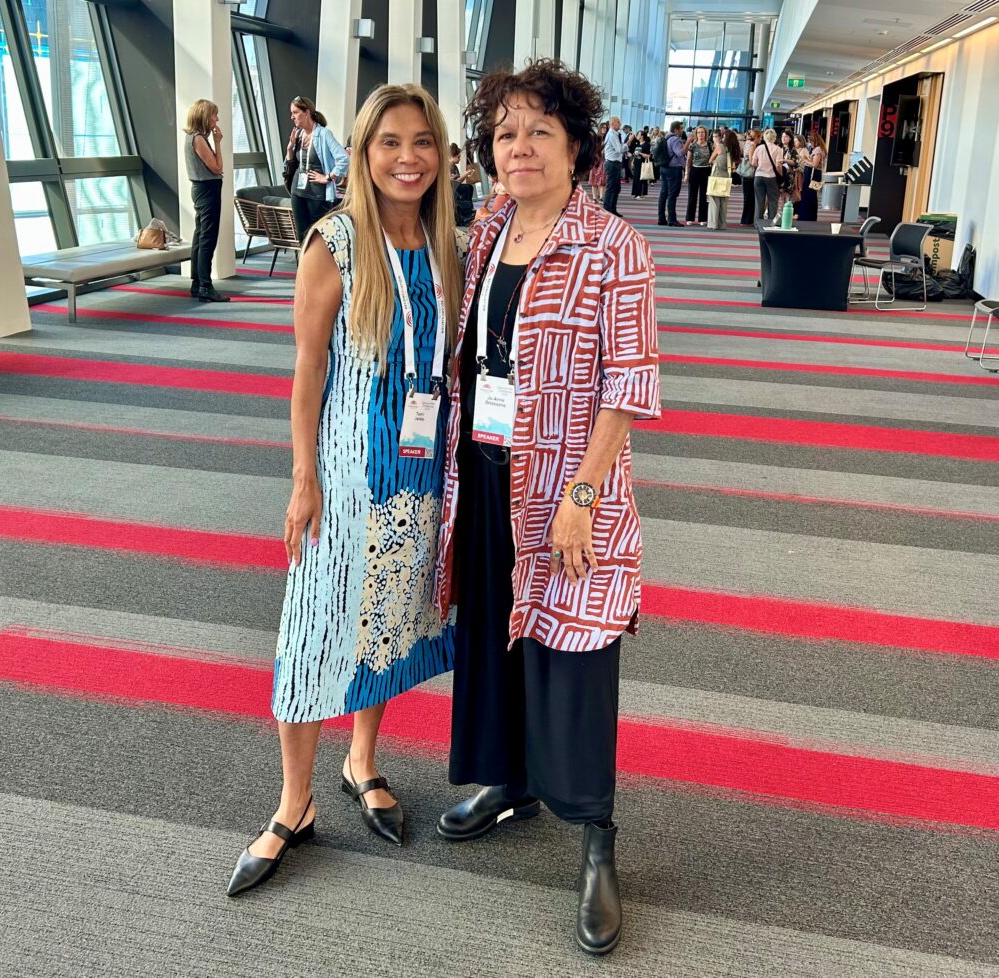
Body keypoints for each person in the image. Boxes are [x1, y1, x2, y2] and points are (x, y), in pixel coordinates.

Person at [433, 58, 660, 957]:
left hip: (566, 485)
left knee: (575, 651)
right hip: (486, 469)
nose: (518, 148)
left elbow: (629, 384)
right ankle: (506, 780)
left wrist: (581, 492)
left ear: (577, 148)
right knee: (494, 627)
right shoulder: (488, 231)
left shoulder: (613, 247)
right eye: (504, 133)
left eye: (538, 132)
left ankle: (595, 834)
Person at [226, 83, 462, 898]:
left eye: (422, 142)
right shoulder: (336, 241)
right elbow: (309, 369)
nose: (408, 157)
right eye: (390, 142)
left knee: (388, 621)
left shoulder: (444, 244)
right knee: (313, 633)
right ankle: (294, 805)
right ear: (362, 153)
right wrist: (303, 481)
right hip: (345, 477)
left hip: (419, 471)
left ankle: (363, 759)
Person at [284, 96, 350, 243]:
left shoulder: (324, 134)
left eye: (295, 112)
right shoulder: (299, 134)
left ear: (306, 112)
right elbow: (292, 162)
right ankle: (303, 266)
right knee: (302, 236)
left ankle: (319, 265)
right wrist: (290, 149)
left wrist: (327, 177)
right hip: (298, 191)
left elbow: (344, 158)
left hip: (317, 194)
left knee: (318, 237)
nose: (292, 117)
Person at [183, 99, 229, 303]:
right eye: (214, 115)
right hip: (207, 190)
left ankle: (197, 283)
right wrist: (218, 143)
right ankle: (205, 286)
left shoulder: (192, 137)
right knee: (207, 238)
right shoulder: (199, 139)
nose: (217, 119)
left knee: (200, 235)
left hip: (201, 189)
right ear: (204, 116)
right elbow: (217, 167)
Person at [706, 130, 741, 231]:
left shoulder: (720, 147)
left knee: (714, 200)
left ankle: (713, 224)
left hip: (717, 176)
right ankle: (722, 224)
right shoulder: (734, 150)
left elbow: (710, 160)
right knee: (723, 202)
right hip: (727, 177)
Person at [752, 128, 784, 222]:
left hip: (759, 176)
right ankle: (771, 221)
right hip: (771, 177)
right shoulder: (778, 149)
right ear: (774, 138)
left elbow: (753, 163)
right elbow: (778, 165)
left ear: (764, 138)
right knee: (773, 200)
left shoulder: (759, 148)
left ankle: (758, 222)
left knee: (759, 200)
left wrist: (759, 168)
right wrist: (780, 175)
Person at [657, 121, 686, 226]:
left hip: (664, 167)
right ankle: (672, 219)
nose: (682, 130)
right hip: (673, 169)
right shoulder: (675, 139)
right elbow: (680, 153)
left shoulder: (666, 138)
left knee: (663, 193)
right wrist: (688, 143)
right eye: (681, 128)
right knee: (672, 194)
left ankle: (661, 218)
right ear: (676, 130)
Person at [684, 125, 712, 225]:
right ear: (696, 134)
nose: (701, 134)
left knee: (704, 196)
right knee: (692, 195)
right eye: (699, 132)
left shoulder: (709, 145)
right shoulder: (693, 145)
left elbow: (713, 158)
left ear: (706, 134)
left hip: (706, 171)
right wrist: (686, 173)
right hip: (695, 170)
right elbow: (688, 160)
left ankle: (703, 218)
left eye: (703, 132)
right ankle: (690, 218)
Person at [797, 130, 826, 221]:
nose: (810, 143)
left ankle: (807, 215)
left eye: (811, 141)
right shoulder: (821, 149)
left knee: (808, 195)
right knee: (812, 195)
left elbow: (815, 164)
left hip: (812, 174)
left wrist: (805, 159)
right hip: (816, 174)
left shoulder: (817, 150)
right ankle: (810, 215)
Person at [602, 115, 624, 216]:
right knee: (611, 187)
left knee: (616, 188)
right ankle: (607, 209)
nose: (620, 124)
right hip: (612, 163)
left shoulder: (616, 134)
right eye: (618, 122)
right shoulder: (612, 134)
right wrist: (628, 143)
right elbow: (619, 149)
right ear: (612, 123)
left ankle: (612, 208)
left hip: (616, 163)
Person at [738, 128, 759, 226]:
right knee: (749, 197)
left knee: (747, 196)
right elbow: (751, 161)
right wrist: (758, 165)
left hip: (744, 172)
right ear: (757, 137)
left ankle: (747, 219)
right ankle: (746, 219)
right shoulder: (752, 145)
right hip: (749, 173)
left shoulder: (747, 143)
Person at [778, 130, 802, 211]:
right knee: (778, 196)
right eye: (782, 137)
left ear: (790, 138)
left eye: (786, 137)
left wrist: (785, 160)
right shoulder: (778, 148)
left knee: (786, 197)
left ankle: (785, 214)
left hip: (788, 176)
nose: (783, 138)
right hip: (778, 174)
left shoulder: (792, 150)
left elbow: (796, 162)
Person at [588, 122, 608, 204]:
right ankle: (594, 198)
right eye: (603, 127)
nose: (604, 129)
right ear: (600, 128)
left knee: (602, 180)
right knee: (594, 179)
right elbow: (592, 149)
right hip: (596, 160)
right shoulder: (596, 137)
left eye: (606, 128)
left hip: (604, 160)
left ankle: (601, 198)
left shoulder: (607, 137)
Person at [630, 128, 651, 198]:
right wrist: (633, 161)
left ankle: (641, 194)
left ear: (642, 136)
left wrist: (640, 153)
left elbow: (648, 155)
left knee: (642, 178)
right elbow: (635, 154)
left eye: (638, 134)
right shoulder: (637, 144)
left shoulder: (646, 144)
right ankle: (636, 193)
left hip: (643, 164)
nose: (637, 136)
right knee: (635, 178)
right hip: (637, 163)